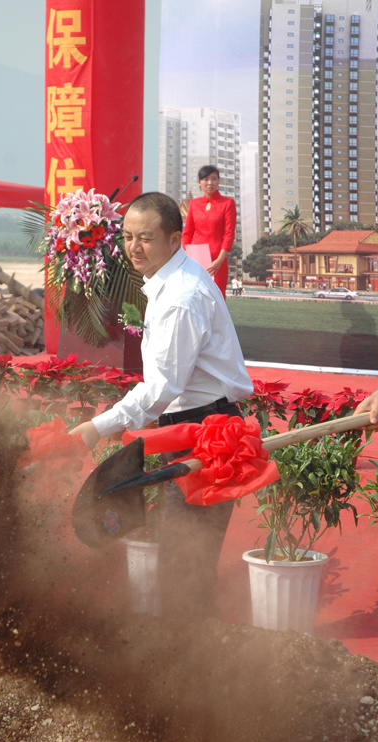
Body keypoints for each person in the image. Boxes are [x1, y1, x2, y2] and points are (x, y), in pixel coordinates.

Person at [72, 191, 253, 621]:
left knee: (185, 561)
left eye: (146, 238)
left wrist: (97, 427)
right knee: (182, 555)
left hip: (206, 434)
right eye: (129, 236)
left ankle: (194, 663)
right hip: (188, 427)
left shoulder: (181, 297)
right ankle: (192, 653)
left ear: (174, 240)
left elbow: (161, 389)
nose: (135, 247)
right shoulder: (169, 282)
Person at [181, 165, 236, 300]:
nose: (210, 183)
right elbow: (187, 233)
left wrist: (219, 260)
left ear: (219, 181)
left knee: (215, 297)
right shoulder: (194, 204)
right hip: (195, 260)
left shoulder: (228, 203)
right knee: (194, 296)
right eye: (205, 179)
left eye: (214, 179)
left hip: (217, 261)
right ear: (199, 182)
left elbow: (229, 234)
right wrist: (187, 255)